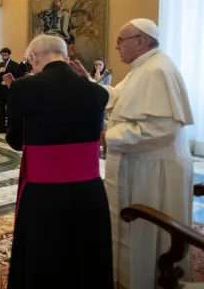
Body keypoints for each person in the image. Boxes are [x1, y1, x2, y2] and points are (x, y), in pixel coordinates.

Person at [70, 18, 194, 289]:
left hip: (153, 169)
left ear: (140, 40)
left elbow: (160, 128)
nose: (116, 47)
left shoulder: (156, 71)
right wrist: (88, 82)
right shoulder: (143, 68)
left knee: (147, 231)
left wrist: (108, 136)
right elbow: (116, 97)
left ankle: (148, 279)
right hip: (141, 163)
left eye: (120, 41)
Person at [7, 34, 113, 288]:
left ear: (34, 58)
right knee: (85, 255)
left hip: (44, 193)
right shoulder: (97, 92)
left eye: (29, 61)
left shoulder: (23, 87)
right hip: (90, 191)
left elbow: (15, 140)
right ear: (65, 57)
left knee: (46, 257)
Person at [0, 47, 19, 133]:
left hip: (10, 91)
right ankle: (1, 128)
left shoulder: (15, 64)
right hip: (1, 91)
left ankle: (9, 128)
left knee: (9, 111)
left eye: (5, 55)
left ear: (9, 55)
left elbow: (17, 78)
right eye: (2, 56)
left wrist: (8, 82)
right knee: (0, 110)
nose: (3, 57)